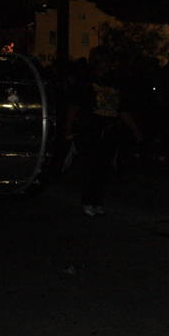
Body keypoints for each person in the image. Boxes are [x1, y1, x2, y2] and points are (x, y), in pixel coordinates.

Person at [64, 46, 142, 216]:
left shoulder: (115, 82)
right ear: (96, 62)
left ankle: (98, 201)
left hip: (110, 130)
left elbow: (122, 109)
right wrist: (68, 128)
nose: (108, 65)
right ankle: (87, 201)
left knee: (104, 168)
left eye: (109, 61)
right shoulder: (85, 81)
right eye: (104, 61)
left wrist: (135, 129)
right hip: (91, 130)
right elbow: (73, 106)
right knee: (91, 167)